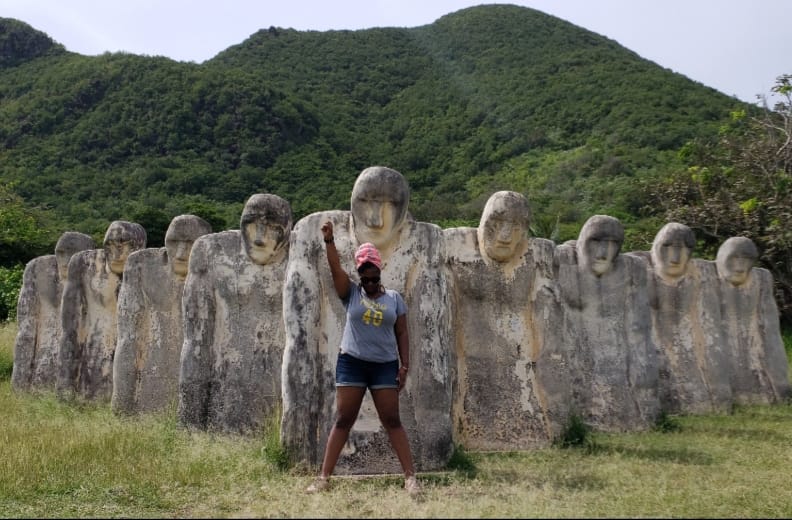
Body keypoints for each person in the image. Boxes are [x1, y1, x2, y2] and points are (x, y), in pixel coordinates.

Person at [306, 222, 419, 496]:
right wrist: (329, 240)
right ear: (359, 274)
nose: (368, 283)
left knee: (392, 419)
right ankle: (323, 478)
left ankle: (411, 478)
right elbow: (335, 270)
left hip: (384, 366)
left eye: (373, 277)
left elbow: (402, 332)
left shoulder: (394, 299)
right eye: (364, 277)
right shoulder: (352, 293)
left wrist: (404, 365)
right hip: (352, 362)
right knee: (344, 419)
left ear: (380, 272)